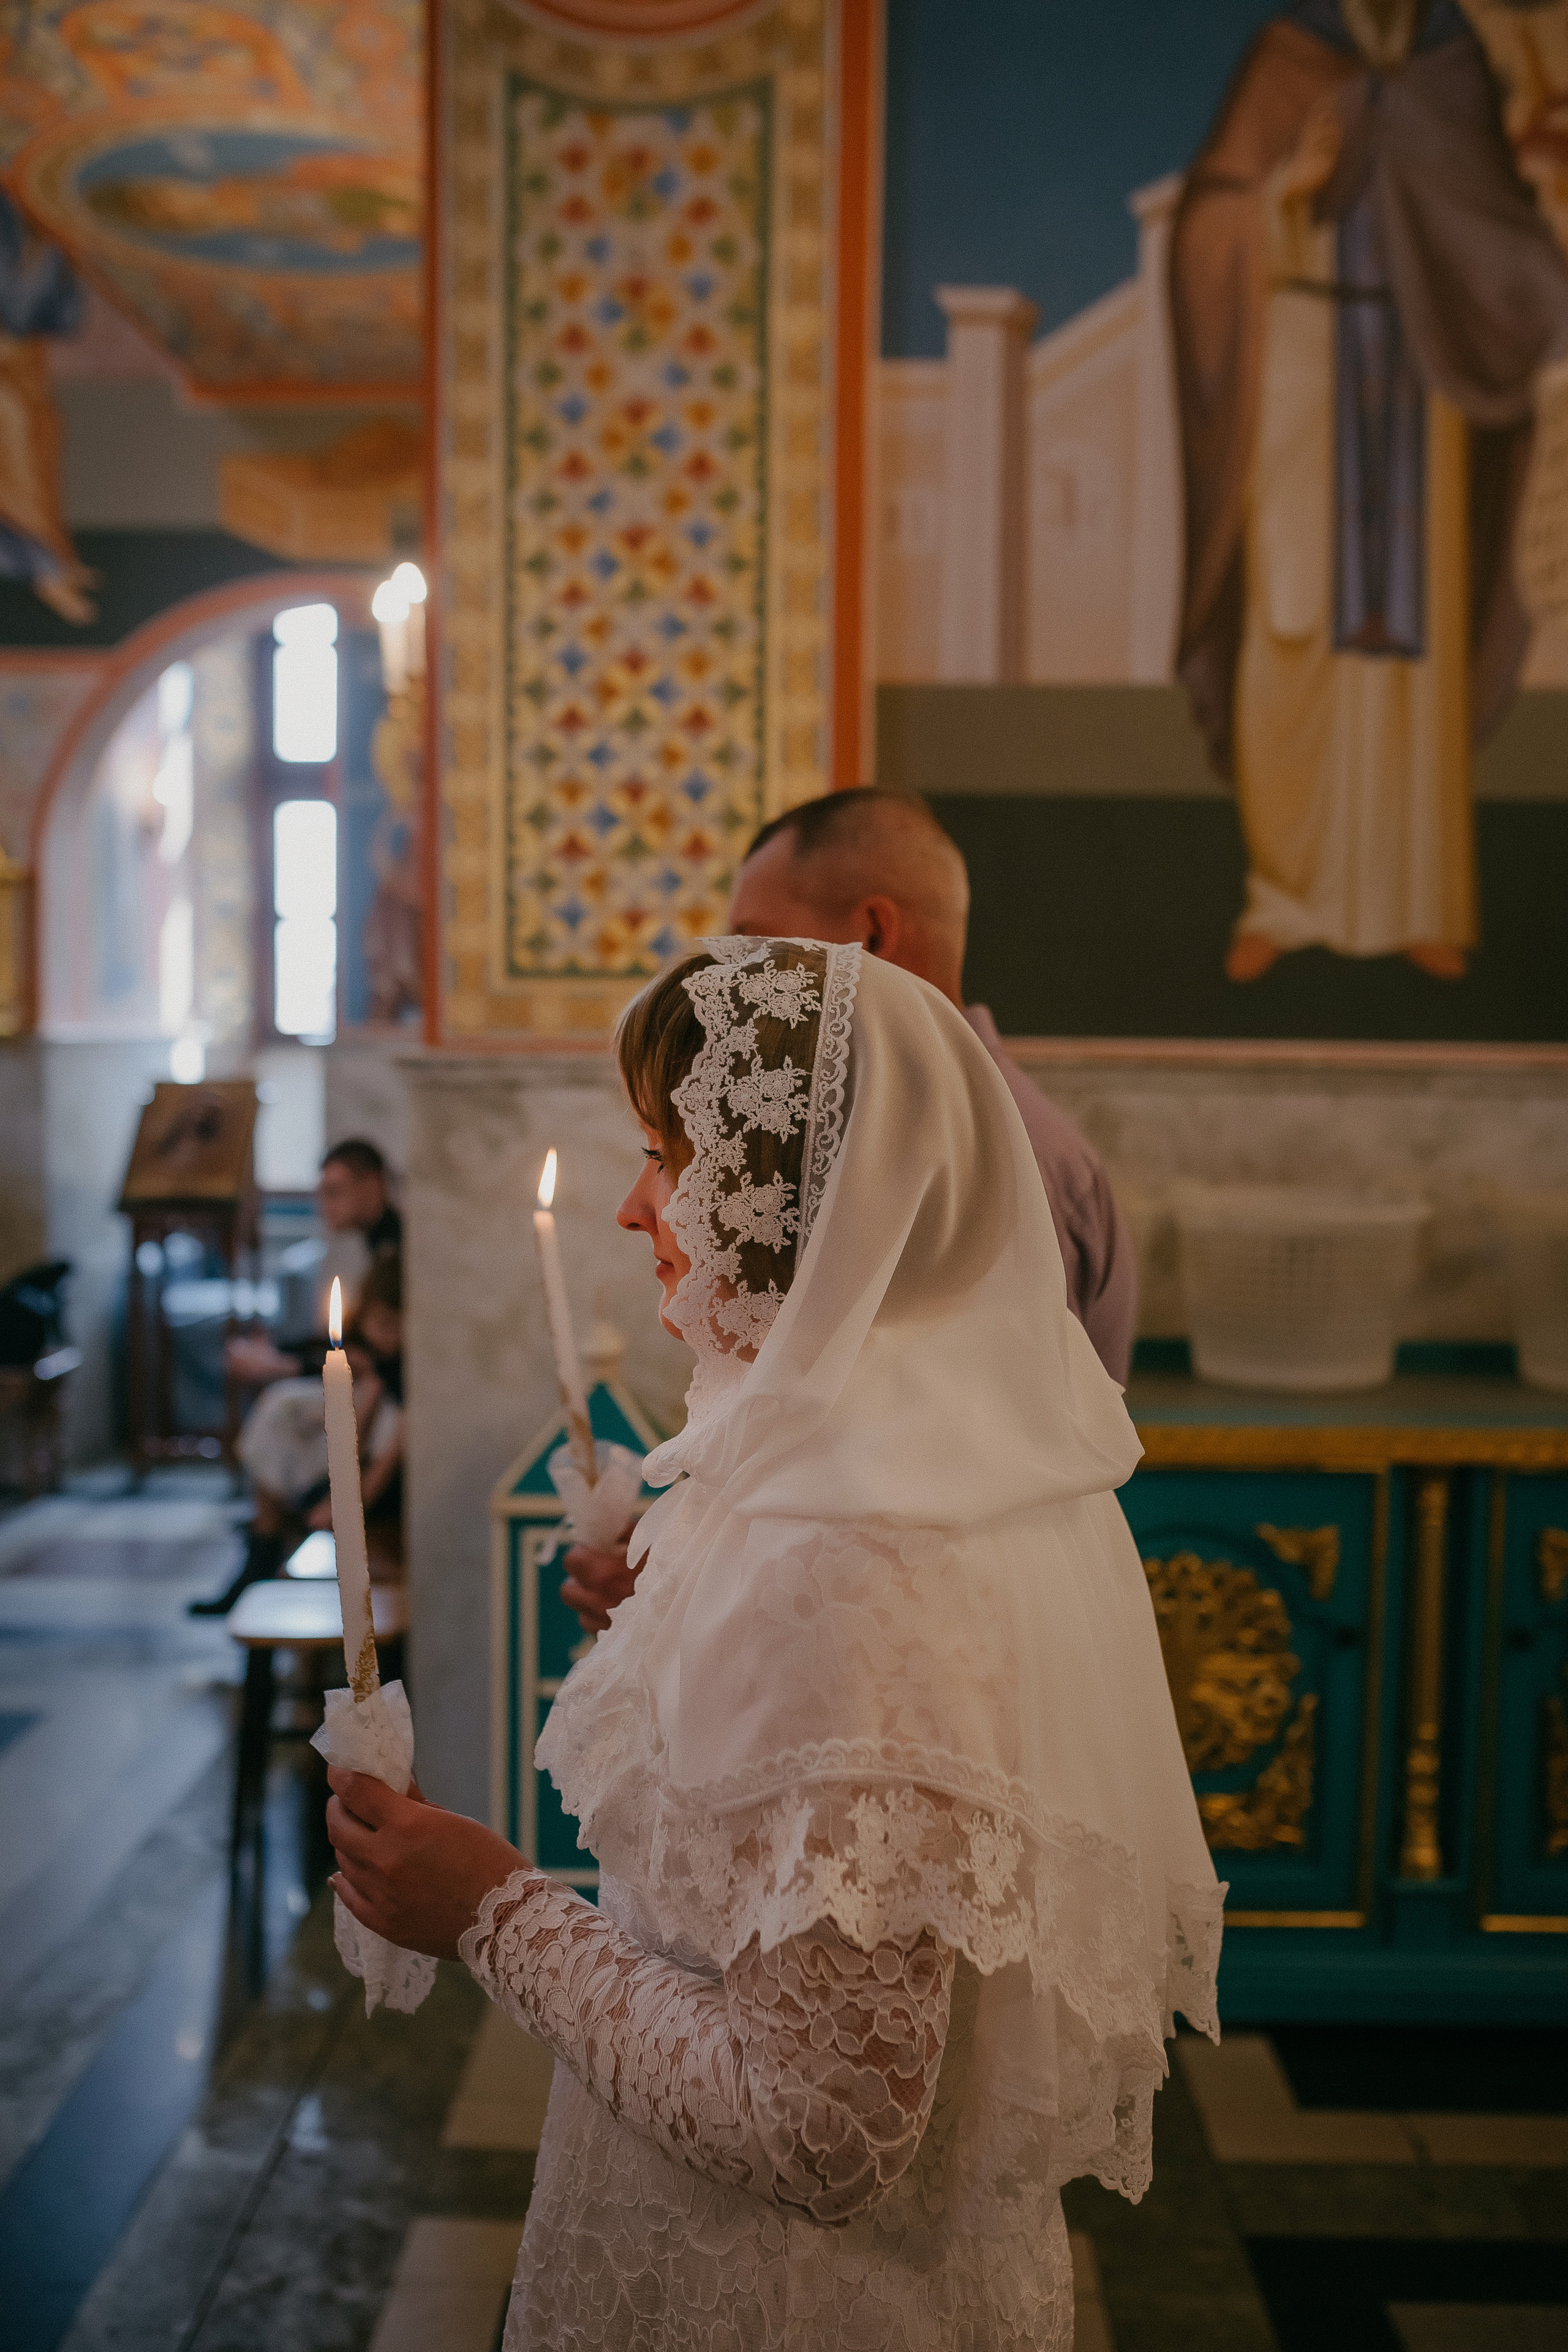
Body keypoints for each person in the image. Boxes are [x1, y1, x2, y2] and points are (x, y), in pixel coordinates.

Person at [323, 938, 1223, 2350]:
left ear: (797, 1201)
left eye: (663, 1154)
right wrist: (667, 1625)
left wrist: (489, 1908)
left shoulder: (849, 1559)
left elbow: (819, 2128)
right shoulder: (855, 1460)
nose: (631, 1206)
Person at [562, 785, 1137, 1635]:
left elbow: (933, 1512)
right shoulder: (936, 1144)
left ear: (870, 933)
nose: (738, 977)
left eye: (757, 942)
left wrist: (710, 1612)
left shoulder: (978, 1171)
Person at [1170, 0, 1568, 982]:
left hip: (1425, 373)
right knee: (1291, 623)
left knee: (1415, 654)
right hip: (1302, 356)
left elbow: (1498, 224)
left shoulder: (1452, 58)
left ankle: (1416, 902)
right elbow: (1210, 221)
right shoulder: (1290, 54)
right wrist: (1282, 198)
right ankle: (1284, 897)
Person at [191, 1253, 405, 1615]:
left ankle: (264, 1564)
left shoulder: (402, 1382)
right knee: (282, 1412)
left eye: (390, 1325)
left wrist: (342, 1501)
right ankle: (261, 1566)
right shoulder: (375, 1363)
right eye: (376, 1322)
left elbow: (385, 1448)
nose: (381, 1334)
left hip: (377, 1487)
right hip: (349, 1468)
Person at [225, 1137, 402, 1391]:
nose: (324, 1206)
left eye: (334, 1192)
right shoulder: (380, 1245)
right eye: (322, 1194)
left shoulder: (397, 1253)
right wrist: (278, 1348)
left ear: (373, 1186)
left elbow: (376, 1358)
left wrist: (282, 1365)